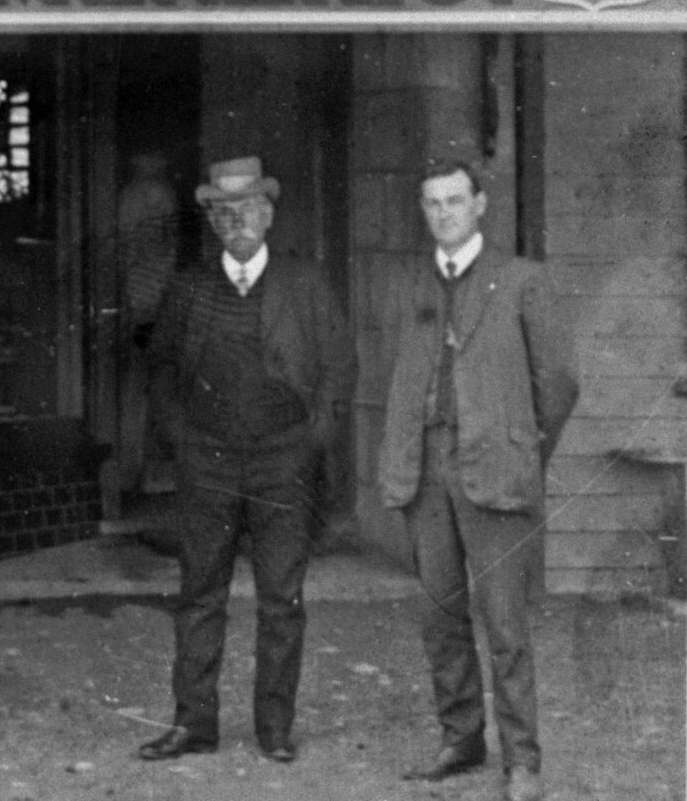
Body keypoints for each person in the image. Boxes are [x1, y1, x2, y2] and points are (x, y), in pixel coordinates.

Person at [138, 156, 354, 765]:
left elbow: (339, 368)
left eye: (247, 210)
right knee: (200, 593)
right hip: (207, 460)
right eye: (224, 213)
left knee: (280, 597)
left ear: (268, 214)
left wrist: (310, 443)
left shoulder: (304, 284)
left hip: (282, 461)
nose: (237, 222)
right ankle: (193, 723)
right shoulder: (189, 289)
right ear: (212, 221)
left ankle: (275, 726)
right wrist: (182, 440)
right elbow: (161, 372)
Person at [381, 158, 577, 801]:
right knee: (439, 616)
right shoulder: (412, 284)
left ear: (481, 204)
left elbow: (559, 384)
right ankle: (461, 739)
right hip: (427, 474)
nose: (443, 213)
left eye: (455, 201)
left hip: (495, 471)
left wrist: (523, 450)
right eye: (431, 203)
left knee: (505, 624)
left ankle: (523, 761)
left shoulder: (522, 281)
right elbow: (404, 380)